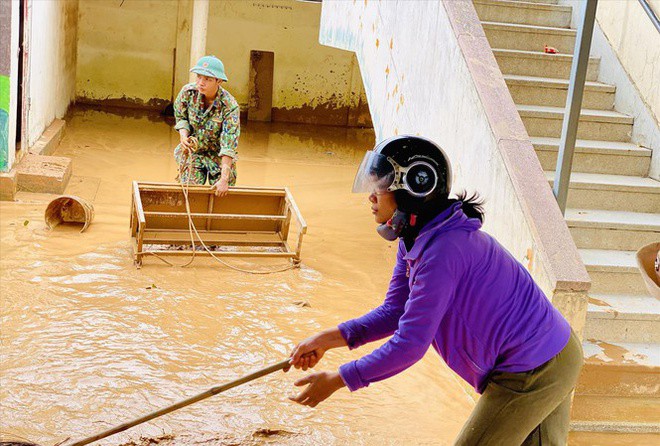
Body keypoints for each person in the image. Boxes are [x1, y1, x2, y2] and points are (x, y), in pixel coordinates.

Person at [286, 136, 584, 445]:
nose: (371, 197)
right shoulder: (417, 237)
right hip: (555, 352)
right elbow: (396, 311)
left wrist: (339, 379)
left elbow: (410, 345)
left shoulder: (444, 251)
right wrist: (328, 339)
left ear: (414, 187)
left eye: (380, 187)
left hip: (533, 368)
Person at [173, 55, 239, 197]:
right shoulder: (187, 93)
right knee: (189, 193)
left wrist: (224, 178)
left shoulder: (230, 106)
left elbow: (229, 144)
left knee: (222, 194)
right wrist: (183, 136)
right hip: (194, 152)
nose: (201, 83)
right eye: (198, 77)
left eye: (207, 79)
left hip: (218, 156)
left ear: (219, 81)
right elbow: (181, 117)